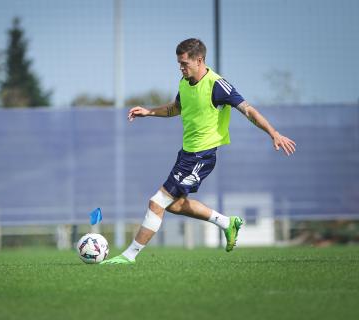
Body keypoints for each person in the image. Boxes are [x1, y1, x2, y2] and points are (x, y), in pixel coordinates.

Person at [101, 38, 296, 265]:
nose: (181, 68)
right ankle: (227, 222)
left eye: (184, 63)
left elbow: (248, 110)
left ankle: (128, 256)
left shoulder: (217, 85)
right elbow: (176, 108)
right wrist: (149, 112)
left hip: (201, 156)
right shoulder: (184, 82)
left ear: (199, 60)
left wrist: (273, 133)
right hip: (186, 154)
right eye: (179, 64)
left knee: (156, 202)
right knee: (173, 204)